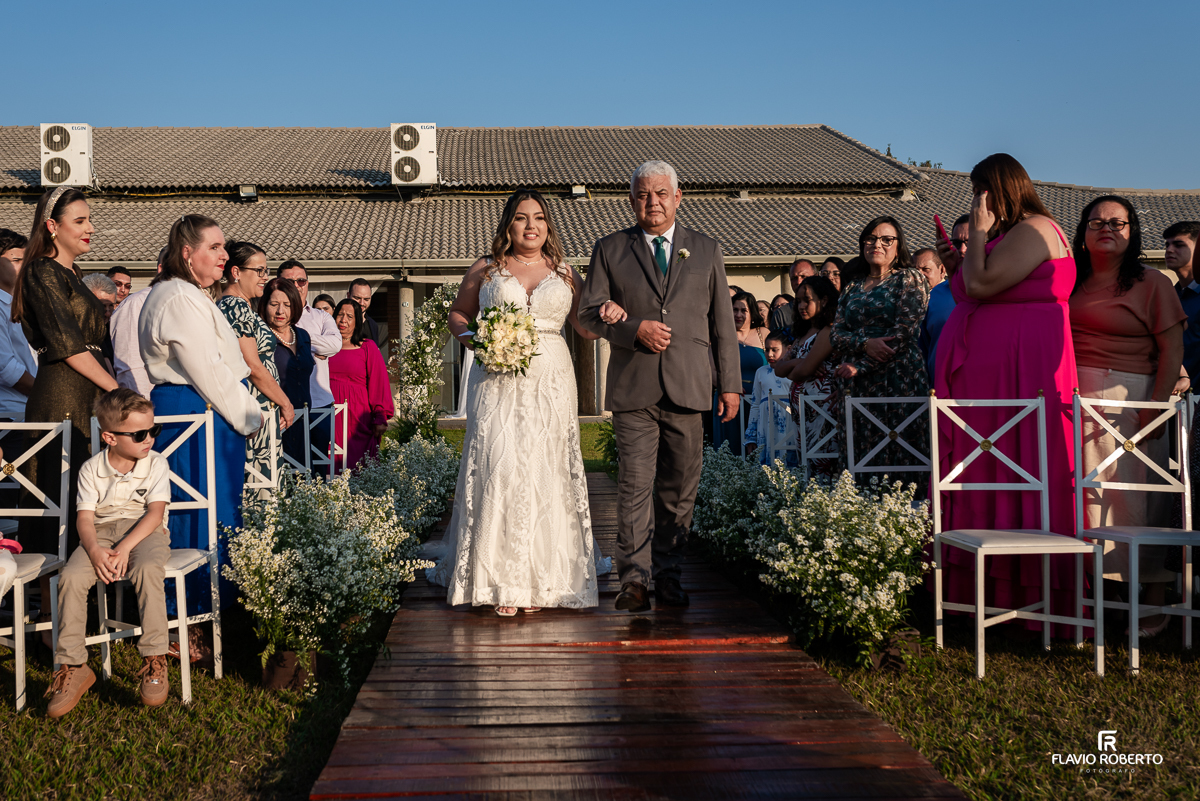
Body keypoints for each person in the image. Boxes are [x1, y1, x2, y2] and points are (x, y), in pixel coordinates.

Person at [431, 188, 605, 615]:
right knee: (499, 465)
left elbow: (584, 328)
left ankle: (542, 581)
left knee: (546, 467)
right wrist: (481, 340)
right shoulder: (487, 269)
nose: (532, 226)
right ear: (508, 225)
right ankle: (499, 580)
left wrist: (613, 315)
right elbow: (458, 315)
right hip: (497, 378)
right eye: (523, 218)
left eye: (540, 218)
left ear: (549, 225)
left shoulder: (565, 273)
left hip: (551, 377)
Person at [579, 159, 740, 613]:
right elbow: (590, 315)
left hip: (689, 387)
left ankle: (669, 575)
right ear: (631, 201)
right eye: (643, 195)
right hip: (634, 388)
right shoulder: (610, 249)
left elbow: (722, 325)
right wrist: (632, 329)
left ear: (677, 197)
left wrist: (730, 385)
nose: (652, 202)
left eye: (660, 193)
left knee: (679, 488)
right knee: (633, 484)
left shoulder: (706, 250)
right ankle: (634, 580)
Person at [933, 153, 1080, 638]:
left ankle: (1026, 596)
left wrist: (975, 236)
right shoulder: (1010, 235)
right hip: (994, 376)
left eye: (981, 190)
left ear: (1000, 188)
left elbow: (980, 284)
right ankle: (981, 595)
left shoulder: (1035, 227)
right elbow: (972, 285)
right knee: (988, 470)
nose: (976, 201)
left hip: (1023, 371)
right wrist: (963, 255)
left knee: (1021, 465)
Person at [1070, 195, 1185, 638]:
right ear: (1082, 232)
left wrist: (1154, 410)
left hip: (1130, 401)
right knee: (1084, 503)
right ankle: (1099, 601)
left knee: (1134, 501)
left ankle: (1152, 606)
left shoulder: (1153, 282)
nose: (1107, 229)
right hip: (1073, 399)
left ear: (1132, 232)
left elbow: (1172, 350)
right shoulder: (1070, 280)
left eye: (1118, 223)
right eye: (1096, 221)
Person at [139, 214, 262, 616]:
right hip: (198, 408)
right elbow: (206, 370)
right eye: (215, 247)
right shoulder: (177, 298)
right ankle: (191, 611)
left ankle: (217, 604)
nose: (225, 256)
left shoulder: (187, 293)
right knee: (200, 511)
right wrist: (250, 416)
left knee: (221, 505)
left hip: (207, 407)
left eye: (224, 247)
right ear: (187, 253)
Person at [45, 389, 171, 718]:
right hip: (99, 534)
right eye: (140, 434)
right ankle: (73, 665)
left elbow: (155, 514)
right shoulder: (90, 469)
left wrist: (124, 548)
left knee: (147, 570)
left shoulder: (156, 463)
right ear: (110, 437)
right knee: (70, 577)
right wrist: (96, 552)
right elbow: (84, 519)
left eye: (153, 430)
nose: (149, 439)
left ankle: (155, 658)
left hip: (145, 532)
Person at [13, 187, 118, 576]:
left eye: (90, 219)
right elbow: (67, 346)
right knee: (58, 491)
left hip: (90, 391)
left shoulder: (72, 273)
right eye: (80, 220)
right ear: (52, 226)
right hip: (61, 392)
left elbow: (95, 344)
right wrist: (116, 390)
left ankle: (83, 596)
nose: (90, 227)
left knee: (86, 493)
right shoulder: (41, 270)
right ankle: (47, 607)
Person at [830, 216, 929, 468]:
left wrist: (860, 365)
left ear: (899, 246)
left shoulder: (909, 278)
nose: (878, 244)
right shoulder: (852, 286)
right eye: (871, 239)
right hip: (854, 383)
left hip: (896, 375)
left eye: (887, 239)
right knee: (858, 451)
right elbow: (836, 334)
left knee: (899, 449)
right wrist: (864, 344)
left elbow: (904, 333)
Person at [218, 242, 294, 486]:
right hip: (255, 405)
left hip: (259, 405)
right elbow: (251, 363)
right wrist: (285, 402)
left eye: (266, 270)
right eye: (259, 271)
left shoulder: (243, 307)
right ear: (236, 272)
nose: (264, 277)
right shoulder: (235, 306)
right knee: (260, 484)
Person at [278, 260, 342, 465]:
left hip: (319, 404)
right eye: (290, 281)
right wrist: (315, 345)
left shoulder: (321, 316)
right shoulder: (271, 317)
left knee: (319, 467)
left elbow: (334, 344)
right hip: (283, 405)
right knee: (287, 468)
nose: (297, 286)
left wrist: (296, 338)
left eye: (301, 281)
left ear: (308, 284)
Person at [778, 276, 840, 480]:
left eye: (808, 300)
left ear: (823, 300)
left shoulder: (828, 329)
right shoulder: (802, 333)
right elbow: (779, 369)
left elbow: (803, 372)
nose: (802, 306)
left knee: (823, 466)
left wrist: (798, 367)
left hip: (822, 410)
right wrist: (798, 363)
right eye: (799, 301)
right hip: (801, 412)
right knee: (806, 466)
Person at [328, 299, 393, 471]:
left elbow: (379, 384)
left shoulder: (367, 347)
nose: (343, 320)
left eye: (349, 316)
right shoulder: (324, 346)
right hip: (328, 416)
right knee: (328, 468)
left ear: (357, 321)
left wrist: (380, 415)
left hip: (358, 418)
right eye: (340, 315)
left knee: (358, 468)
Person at [260, 277, 314, 470]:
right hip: (275, 421)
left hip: (303, 419)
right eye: (274, 304)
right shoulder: (260, 337)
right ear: (264, 305)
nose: (280, 311)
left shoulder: (303, 336)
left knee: (303, 482)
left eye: (287, 305)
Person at [713, 290, 769, 453]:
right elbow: (711, 370)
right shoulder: (719, 335)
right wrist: (730, 387)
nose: (738, 314)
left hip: (759, 402)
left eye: (743, 310)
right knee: (730, 449)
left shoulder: (763, 334)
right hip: (729, 399)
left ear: (752, 313)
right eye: (734, 310)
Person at [111, 246, 165, 399]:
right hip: (149, 400)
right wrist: (141, 403)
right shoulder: (137, 304)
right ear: (161, 268)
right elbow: (130, 364)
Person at [922, 214, 968, 378]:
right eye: (956, 243)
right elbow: (924, 348)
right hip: (939, 391)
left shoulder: (1002, 294)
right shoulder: (934, 295)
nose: (962, 249)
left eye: (971, 242)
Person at [744, 330, 796, 467]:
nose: (770, 354)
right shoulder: (761, 372)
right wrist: (751, 436)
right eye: (767, 350)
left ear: (788, 349)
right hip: (765, 427)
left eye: (775, 350)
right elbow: (755, 404)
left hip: (789, 426)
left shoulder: (795, 370)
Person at [0, 230, 35, 424]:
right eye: (16, 260)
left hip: (25, 411)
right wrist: (44, 394)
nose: (24, 267)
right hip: (9, 415)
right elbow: (5, 367)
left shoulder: (16, 304)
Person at [1163, 221, 1200, 379]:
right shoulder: (1168, 298)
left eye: (1179, 245)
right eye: (1167, 245)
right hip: (1175, 397)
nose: (1169, 250)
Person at [767, 258, 816, 333]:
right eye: (794, 278)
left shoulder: (829, 309)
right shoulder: (781, 314)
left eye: (803, 277)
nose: (798, 282)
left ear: (816, 276)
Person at [347, 278, 385, 348]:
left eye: (366, 299)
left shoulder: (373, 325)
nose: (361, 303)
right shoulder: (338, 321)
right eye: (357, 298)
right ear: (348, 296)